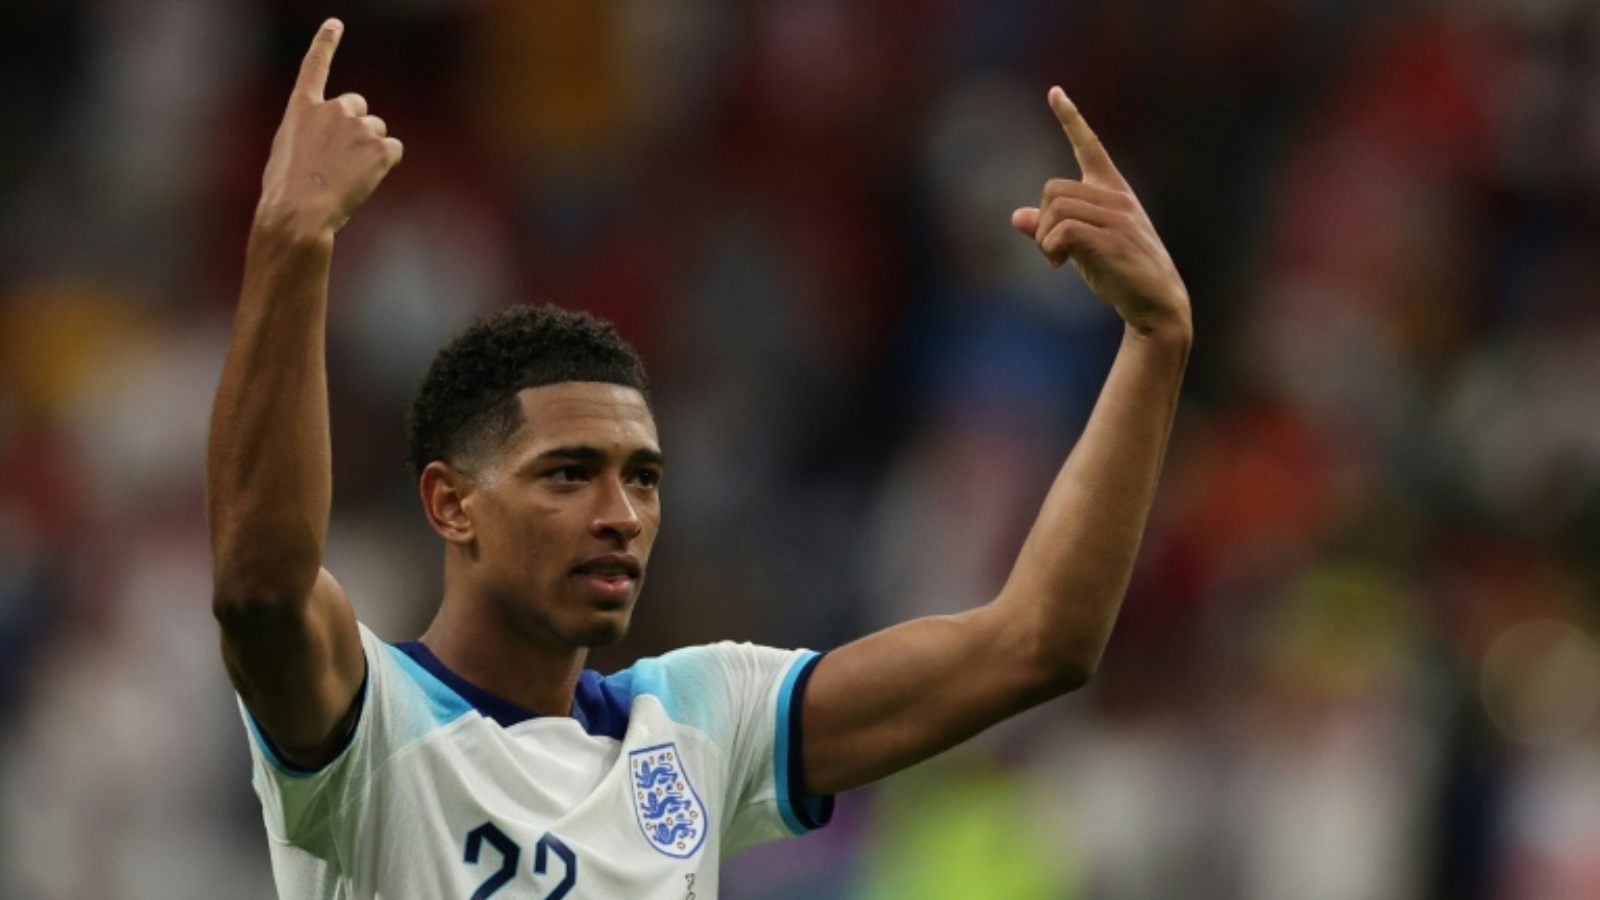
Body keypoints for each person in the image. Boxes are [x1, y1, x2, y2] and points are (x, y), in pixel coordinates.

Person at [207, 18, 1192, 900]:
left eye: (642, 477)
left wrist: (1153, 344)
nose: (621, 515)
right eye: (568, 474)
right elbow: (260, 588)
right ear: (451, 503)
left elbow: (1035, 644)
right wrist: (293, 243)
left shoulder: (697, 721)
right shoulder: (371, 725)